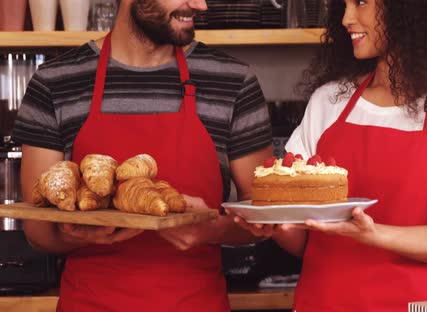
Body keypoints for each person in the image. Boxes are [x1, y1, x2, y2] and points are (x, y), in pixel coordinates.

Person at [234, 0, 427, 311]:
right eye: (345, 4)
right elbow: (308, 242)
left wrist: (371, 233)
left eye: (361, 2)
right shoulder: (329, 101)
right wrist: (273, 226)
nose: (346, 18)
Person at [12, 0, 273, 311]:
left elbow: (264, 216)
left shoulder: (232, 80)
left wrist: (211, 228)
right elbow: (38, 231)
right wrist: (82, 234)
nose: (201, 5)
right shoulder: (55, 82)